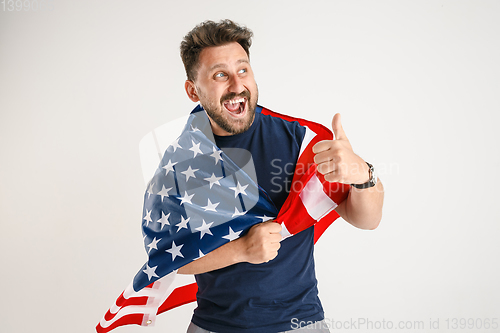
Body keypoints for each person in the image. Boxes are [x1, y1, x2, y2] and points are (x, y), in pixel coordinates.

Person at [177, 19, 384, 333]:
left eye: (243, 69)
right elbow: (172, 258)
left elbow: (367, 219)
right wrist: (242, 250)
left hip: (301, 323)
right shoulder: (182, 158)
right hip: (214, 326)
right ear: (194, 90)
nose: (236, 84)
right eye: (220, 74)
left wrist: (362, 174)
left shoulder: (299, 140)